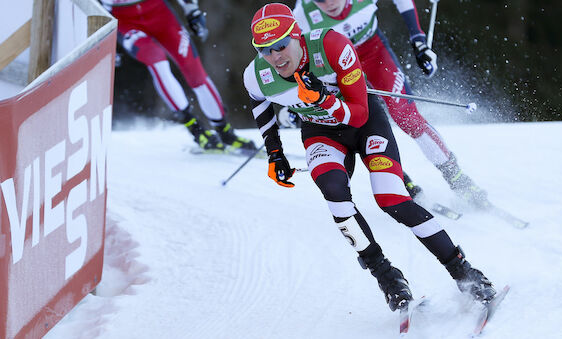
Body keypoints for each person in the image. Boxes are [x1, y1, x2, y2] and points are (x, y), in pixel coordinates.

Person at [243, 3, 497, 312]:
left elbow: (360, 113)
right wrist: (275, 153)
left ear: (297, 35)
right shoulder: (257, 75)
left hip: (363, 124)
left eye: (281, 45)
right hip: (321, 134)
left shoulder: (332, 45)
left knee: (391, 200)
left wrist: (324, 99)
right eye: (265, 50)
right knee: (334, 194)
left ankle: (463, 270)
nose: (275, 57)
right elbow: (259, 104)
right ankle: (387, 277)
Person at [291, 0, 487, 206]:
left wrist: (418, 39)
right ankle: (399, 180)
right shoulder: (302, 14)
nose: (329, 3)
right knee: (358, 123)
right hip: (336, 68)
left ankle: (456, 177)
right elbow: (290, 56)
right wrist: (296, 101)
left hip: (373, 54)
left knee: (406, 116)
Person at [100, 0, 256, 153]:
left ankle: (226, 133)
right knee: (156, 59)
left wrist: (191, 9)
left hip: (160, 13)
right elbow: (89, 7)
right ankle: (195, 128)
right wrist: (102, 37)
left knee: (194, 71)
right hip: (126, 22)